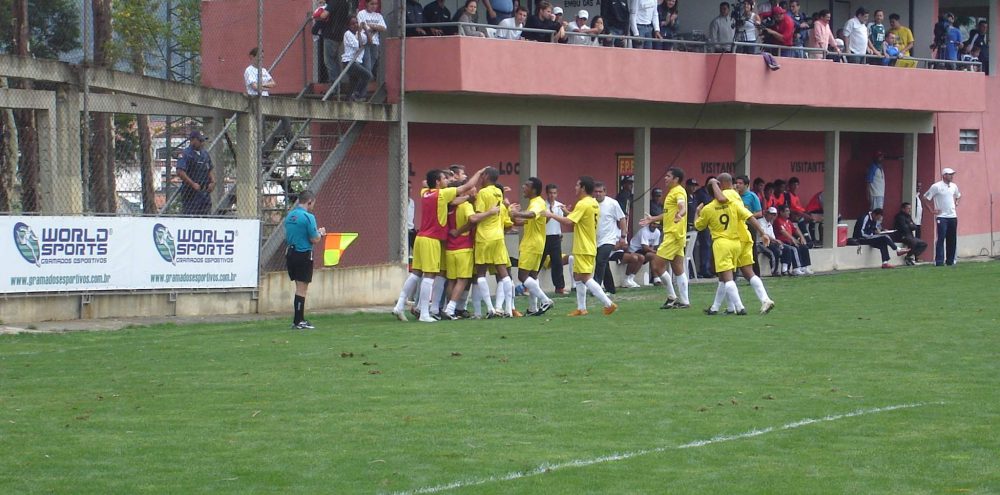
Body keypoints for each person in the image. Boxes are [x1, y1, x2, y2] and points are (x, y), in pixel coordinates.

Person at [392, 167, 484, 322]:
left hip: (420, 237)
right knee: (430, 275)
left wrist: (465, 198)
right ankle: (424, 314)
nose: (447, 181)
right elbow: (467, 187)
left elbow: (426, 184)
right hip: (432, 240)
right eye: (444, 178)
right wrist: (480, 173)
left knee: (416, 273)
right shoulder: (442, 194)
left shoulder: (425, 193)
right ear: (437, 182)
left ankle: (400, 305)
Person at [544, 176, 618, 317]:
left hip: (584, 246)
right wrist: (567, 212)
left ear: (583, 188)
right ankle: (581, 308)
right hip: (588, 244)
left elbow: (568, 222)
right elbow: (579, 219)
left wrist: (550, 214)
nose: (575, 188)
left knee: (585, 277)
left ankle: (608, 304)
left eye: (577, 185)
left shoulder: (583, 203)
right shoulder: (593, 203)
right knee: (578, 276)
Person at [703, 174, 775, 315]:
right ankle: (764, 299)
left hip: (734, 238)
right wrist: (762, 233)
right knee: (747, 273)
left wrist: (712, 183)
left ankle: (738, 307)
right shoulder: (736, 196)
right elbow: (748, 215)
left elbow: (722, 198)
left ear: (722, 183)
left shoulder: (726, 194)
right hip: (745, 236)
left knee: (726, 274)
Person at [694, 176, 756, 316]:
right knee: (723, 277)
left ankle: (739, 307)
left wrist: (697, 213)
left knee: (727, 278)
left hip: (721, 243)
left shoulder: (708, 208)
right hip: (736, 243)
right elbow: (748, 216)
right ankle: (716, 308)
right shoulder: (731, 204)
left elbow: (698, 226)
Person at [639, 167, 691, 309]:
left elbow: (682, 206)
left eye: (668, 176)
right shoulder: (672, 192)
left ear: (676, 179)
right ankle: (685, 301)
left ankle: (672, 296)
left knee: (656, 264)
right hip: (675, 234)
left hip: (673, 235)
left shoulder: (679, 191)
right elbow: (668, 213)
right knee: (678, 267)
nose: (665, 178)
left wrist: (680, 213)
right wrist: (653, 219)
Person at [508, 177, 555, 316]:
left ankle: (545, 300)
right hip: (537, 244)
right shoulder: (536, 203)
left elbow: (531, 214)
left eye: (526, 185)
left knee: (523, 276)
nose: (523, 187)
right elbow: (524, 221)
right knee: (533, 276)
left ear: (534, 189)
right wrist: (512, 216)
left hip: (531, 244)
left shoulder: (537, 203)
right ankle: (533, 308)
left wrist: (515, 213)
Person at [284, 190, 326, 329]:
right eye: (313, 203)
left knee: (298, 288)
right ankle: (298, 321)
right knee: (302, 289)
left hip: (291, 253)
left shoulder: (290, 216)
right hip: (303, 254)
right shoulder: (308, 217)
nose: (313, 206)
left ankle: (298, 319)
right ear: (309, 202)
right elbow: (314, 239)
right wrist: (321, 233)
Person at [922, 167, 961, 266]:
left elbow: (958, 195)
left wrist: (957, 201)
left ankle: (950, 260)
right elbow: (925, 198)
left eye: (952, 174)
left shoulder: (954, 186)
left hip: (952, 216)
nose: (952, 176)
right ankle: (939, 260)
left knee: (952, 239)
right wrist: (931, 210)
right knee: (941, 237)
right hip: (942, 216)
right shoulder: (936, 186)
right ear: (944, 175)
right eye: (949, 174)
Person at [594, 182, 628, 295]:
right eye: (596, 192)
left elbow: (622, 219)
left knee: (600, 261)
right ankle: (610, 288)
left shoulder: (612, 203)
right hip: (595, 239)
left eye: (600, 191)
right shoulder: (591, 203)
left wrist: (623, 237)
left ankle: (596, 287)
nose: (598, 194)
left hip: (609, 239)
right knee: (603, 263)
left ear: (605, 192)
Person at [176, 131, 215, 216]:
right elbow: (180, 171)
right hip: (191, 192)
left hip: (204, 191)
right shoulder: (185, 154)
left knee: (206, 215)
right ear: (192, 140)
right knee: (191, 215)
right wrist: (192, 184)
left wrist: (212, 182)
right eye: (200, 141)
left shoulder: (205, 154)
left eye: (203, 141)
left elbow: (210, 169)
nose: (202, 143)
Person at [539, 183, 568, 294]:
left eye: (554, 193)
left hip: (555, 236)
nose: (552, 195)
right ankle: (528, 284)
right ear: (547, 193)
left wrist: (560, 233)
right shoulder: (542, 205)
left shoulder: (560, 206)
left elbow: (562, 221)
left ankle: (559, 287)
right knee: (538, 261)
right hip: (544, 236)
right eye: (550, 193)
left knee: (557, 262)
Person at [341, 15, 373, 102]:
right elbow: (358, 45)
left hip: (356, 62)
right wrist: (359, 32)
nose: (355, 25)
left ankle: (348, 99)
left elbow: (370, 41)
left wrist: (365, 29)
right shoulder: (347, 34)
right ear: (348, 26)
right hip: (349, 62)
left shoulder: (358, 34)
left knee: (353, 82)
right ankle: (357, 94)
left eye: (356, 23)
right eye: (352, 24)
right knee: (367, 75)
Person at [319, 0, 351, 83]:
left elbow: (323, 15)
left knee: (329, 61)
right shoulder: (345, 3)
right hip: (340, 34)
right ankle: (338, 83)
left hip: (331, 34)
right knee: (335, 60)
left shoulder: (333, 2)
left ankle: (334, 86)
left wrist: (317, 13)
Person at [622, 222, 660, 287]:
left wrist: (654, 251)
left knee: (653, 256)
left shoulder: (657, 232)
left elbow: (653, 246)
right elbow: (645, 247)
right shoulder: (644, 231)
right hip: (634, 249)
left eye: (655, 224)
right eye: (652, 223)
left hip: (643, 250)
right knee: (642, 257)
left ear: (658, 225)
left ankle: (631, 279)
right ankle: (627, 279)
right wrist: (654, 251)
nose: (653, 225)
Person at [357, 0, 387, 77]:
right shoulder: (361, 13)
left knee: (373, 62)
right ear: (367, 4)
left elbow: (384, 28)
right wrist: (376, 27)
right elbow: (363, 27)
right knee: (367, 66)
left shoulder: (378, 15)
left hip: (375, 43)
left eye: (376, 4)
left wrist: (372, 25)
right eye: (372, 4)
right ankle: (363, 84)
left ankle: (364, 81)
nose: (374, 6)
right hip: (365, 42)